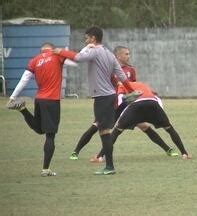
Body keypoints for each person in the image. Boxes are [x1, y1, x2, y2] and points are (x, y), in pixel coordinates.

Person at [69, 46, 178, 163]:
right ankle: (76, 151)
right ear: (118, 56)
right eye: (126, 54)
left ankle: (167, 149)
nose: (128, 56)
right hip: (112, 103)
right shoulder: (109, 68)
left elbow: (133, 86)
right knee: (97, 126)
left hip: (128, 103)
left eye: (129, 53)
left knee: (144, 126)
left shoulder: (131, 70)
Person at [55, 26, 140, 175]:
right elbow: (121, 76)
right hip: (109, 96)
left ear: (93, 38)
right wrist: (131, 91)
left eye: (87, 38)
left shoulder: (95, 51)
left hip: (102, 97)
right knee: (103, 130)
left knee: (104, 131)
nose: (86, 41)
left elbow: (78, 58)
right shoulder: (108, 53)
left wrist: (59, 51)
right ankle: (108, 166)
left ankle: (109, 167)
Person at [6, 42, 77, 177]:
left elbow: (24, 79)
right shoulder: (57, 56)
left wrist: (13, 96)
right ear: (52, 48)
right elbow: (75, 60)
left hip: (39, 99)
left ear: (41, 51)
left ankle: (22, 109)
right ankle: (46, 169)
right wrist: (62, 51)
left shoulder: (34, 60)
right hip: (52, 100)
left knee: (39, 129)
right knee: (50, 135)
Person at [101, 81, 192, 160]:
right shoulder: (141, 84)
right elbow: (155, 96)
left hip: (137, 106)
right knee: (169, 128)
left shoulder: (121, 85)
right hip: (153, 104)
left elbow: (121, 100)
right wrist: (161, 113)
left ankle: (100, 156)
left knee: (117, 131)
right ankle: (184, 154)